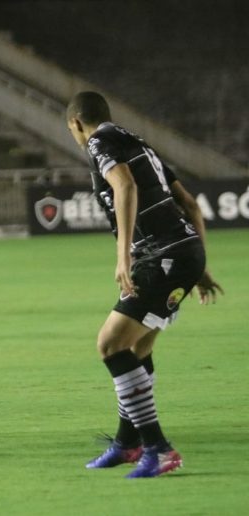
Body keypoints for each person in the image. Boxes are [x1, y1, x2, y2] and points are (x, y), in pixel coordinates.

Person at [66, 91, 223, 478]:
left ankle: (159, 448)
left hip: (160, 255)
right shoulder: (137, 142)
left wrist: (123, 256)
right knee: (136, 347)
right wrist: (197, 264)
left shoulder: (100, 142)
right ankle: (127, 443)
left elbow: (125, 187)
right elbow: (189, 204)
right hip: (179, 252)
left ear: (76, 124)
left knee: (110, 345)